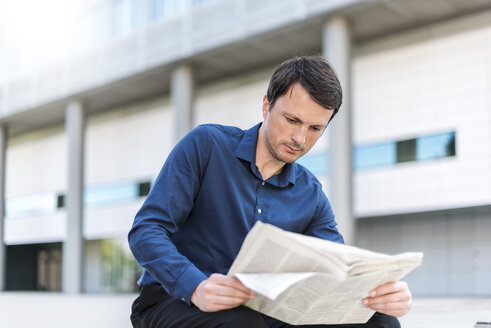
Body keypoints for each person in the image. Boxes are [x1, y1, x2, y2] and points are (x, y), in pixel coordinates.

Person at [128, 56, 411, 328]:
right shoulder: (206, 146)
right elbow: (146, 230)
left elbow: (336, 269)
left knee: (380, 322)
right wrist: (195, 286)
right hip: (175, 300)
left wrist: (383, 294)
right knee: (240, 322)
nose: (300, 139)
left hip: (265, 309)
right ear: (266, 106)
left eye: (315, 128)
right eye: (292, 120)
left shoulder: (311, 193)